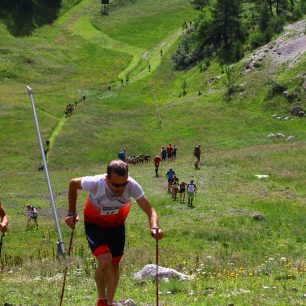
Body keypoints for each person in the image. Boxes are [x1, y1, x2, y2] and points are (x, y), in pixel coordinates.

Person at [65, 160, 163, 306]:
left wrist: (155, 227)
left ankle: (109, 302)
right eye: (116, 185)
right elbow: (73, 183)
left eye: (123, 184)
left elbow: (151, 211)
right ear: (107, 179)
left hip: (116, 225)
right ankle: (101, 299)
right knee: (105, 260)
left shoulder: (132, 185)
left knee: (115, 264)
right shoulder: (96, 183)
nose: (120, 189)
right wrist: (71, 212)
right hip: (95, 224)